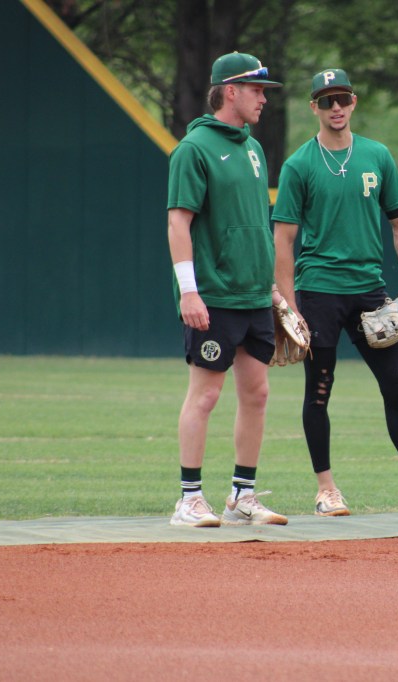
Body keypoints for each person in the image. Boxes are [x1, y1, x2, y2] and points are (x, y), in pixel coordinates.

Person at [272, 68, 398, 518]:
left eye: (342, 98)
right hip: (319, 290)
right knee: (319, 390)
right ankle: (326, 490)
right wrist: (289, 305)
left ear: (354, 101)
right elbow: (283, 239)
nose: (336, 107)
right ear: (314, 107)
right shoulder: (299, 164)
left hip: (369, 290)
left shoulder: (377, 156)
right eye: (326, 100)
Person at [166, 52, 289, 527]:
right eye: (256, 90)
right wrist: (188, 291)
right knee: (205, 396)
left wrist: (272, 289)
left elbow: (255, 225)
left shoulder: (253, 148)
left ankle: (242, 495)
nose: (264, 99)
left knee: (257, 394)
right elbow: (178, 223)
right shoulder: (193, 149)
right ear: (230, 91)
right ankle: (189, 499)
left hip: (254, 295)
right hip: (214, 295)